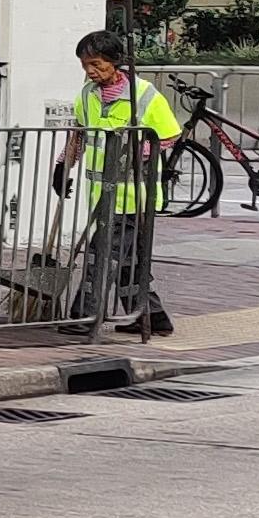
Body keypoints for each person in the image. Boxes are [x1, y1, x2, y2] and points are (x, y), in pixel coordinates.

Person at [56, 27, 180, 339]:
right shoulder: (87, 95)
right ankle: (152, 315)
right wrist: (62, 167)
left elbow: (168, 135)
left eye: (97, 64)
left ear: (116, 62)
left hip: (133, 195)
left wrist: (137, 149)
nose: (90, 71)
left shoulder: (144, 95)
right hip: (101, 194)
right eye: (85, 65)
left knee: (102, 254)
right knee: (127, 259)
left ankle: (84, 315)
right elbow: (79, 134)